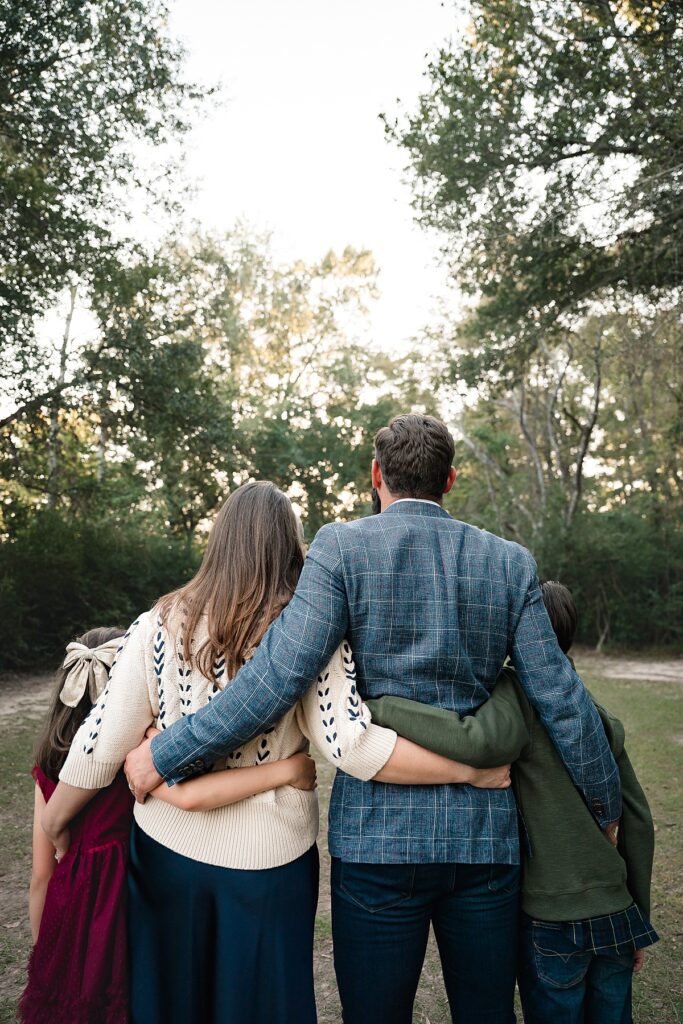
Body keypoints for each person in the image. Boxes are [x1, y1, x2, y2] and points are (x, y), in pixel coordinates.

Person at [125, 413, 622, 1024]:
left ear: (375, 474)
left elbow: (276, 679)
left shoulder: (340, 546)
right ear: (451, 479)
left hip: (378, 844)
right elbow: (561, 698)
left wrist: (165, 752)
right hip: (484, 839)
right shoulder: (510, 562)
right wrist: (607, 806)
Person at [50, 481, 509, 1024]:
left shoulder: (158, 623)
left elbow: (101, 742)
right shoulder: (309, 632)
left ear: (218, 540)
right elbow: (352, 745)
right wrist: (466, 769)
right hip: (271, 865)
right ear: (292, 547)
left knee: (175, 1001)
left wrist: (57, 820)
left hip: (166, 854)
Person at [368, 580, 658, 1024]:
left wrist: (384, 707)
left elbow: (476, 739)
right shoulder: (597, 711)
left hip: (552, 918)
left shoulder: (517, 693)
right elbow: (637, 821)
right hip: (616, 913)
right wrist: (638, 917)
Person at [19, 627, 132, 1024]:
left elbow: (41, 875)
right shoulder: (135, 758)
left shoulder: (50, 763)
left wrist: (44, 949)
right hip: (131, 905)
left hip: (71, 906)